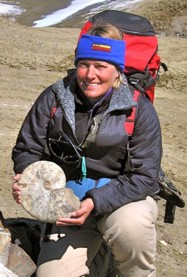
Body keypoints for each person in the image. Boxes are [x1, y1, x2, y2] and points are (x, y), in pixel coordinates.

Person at [12, 23, 162, 277]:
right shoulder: (53, 98)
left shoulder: (139, 109)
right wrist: (30, 180)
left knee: (132, 229)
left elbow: (145, 176)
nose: (90, 75)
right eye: (84, 64)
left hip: (121, 201)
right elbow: (27, 149)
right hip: (65, 205)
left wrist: (95, 201)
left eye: (101, 66)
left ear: (117, 71)